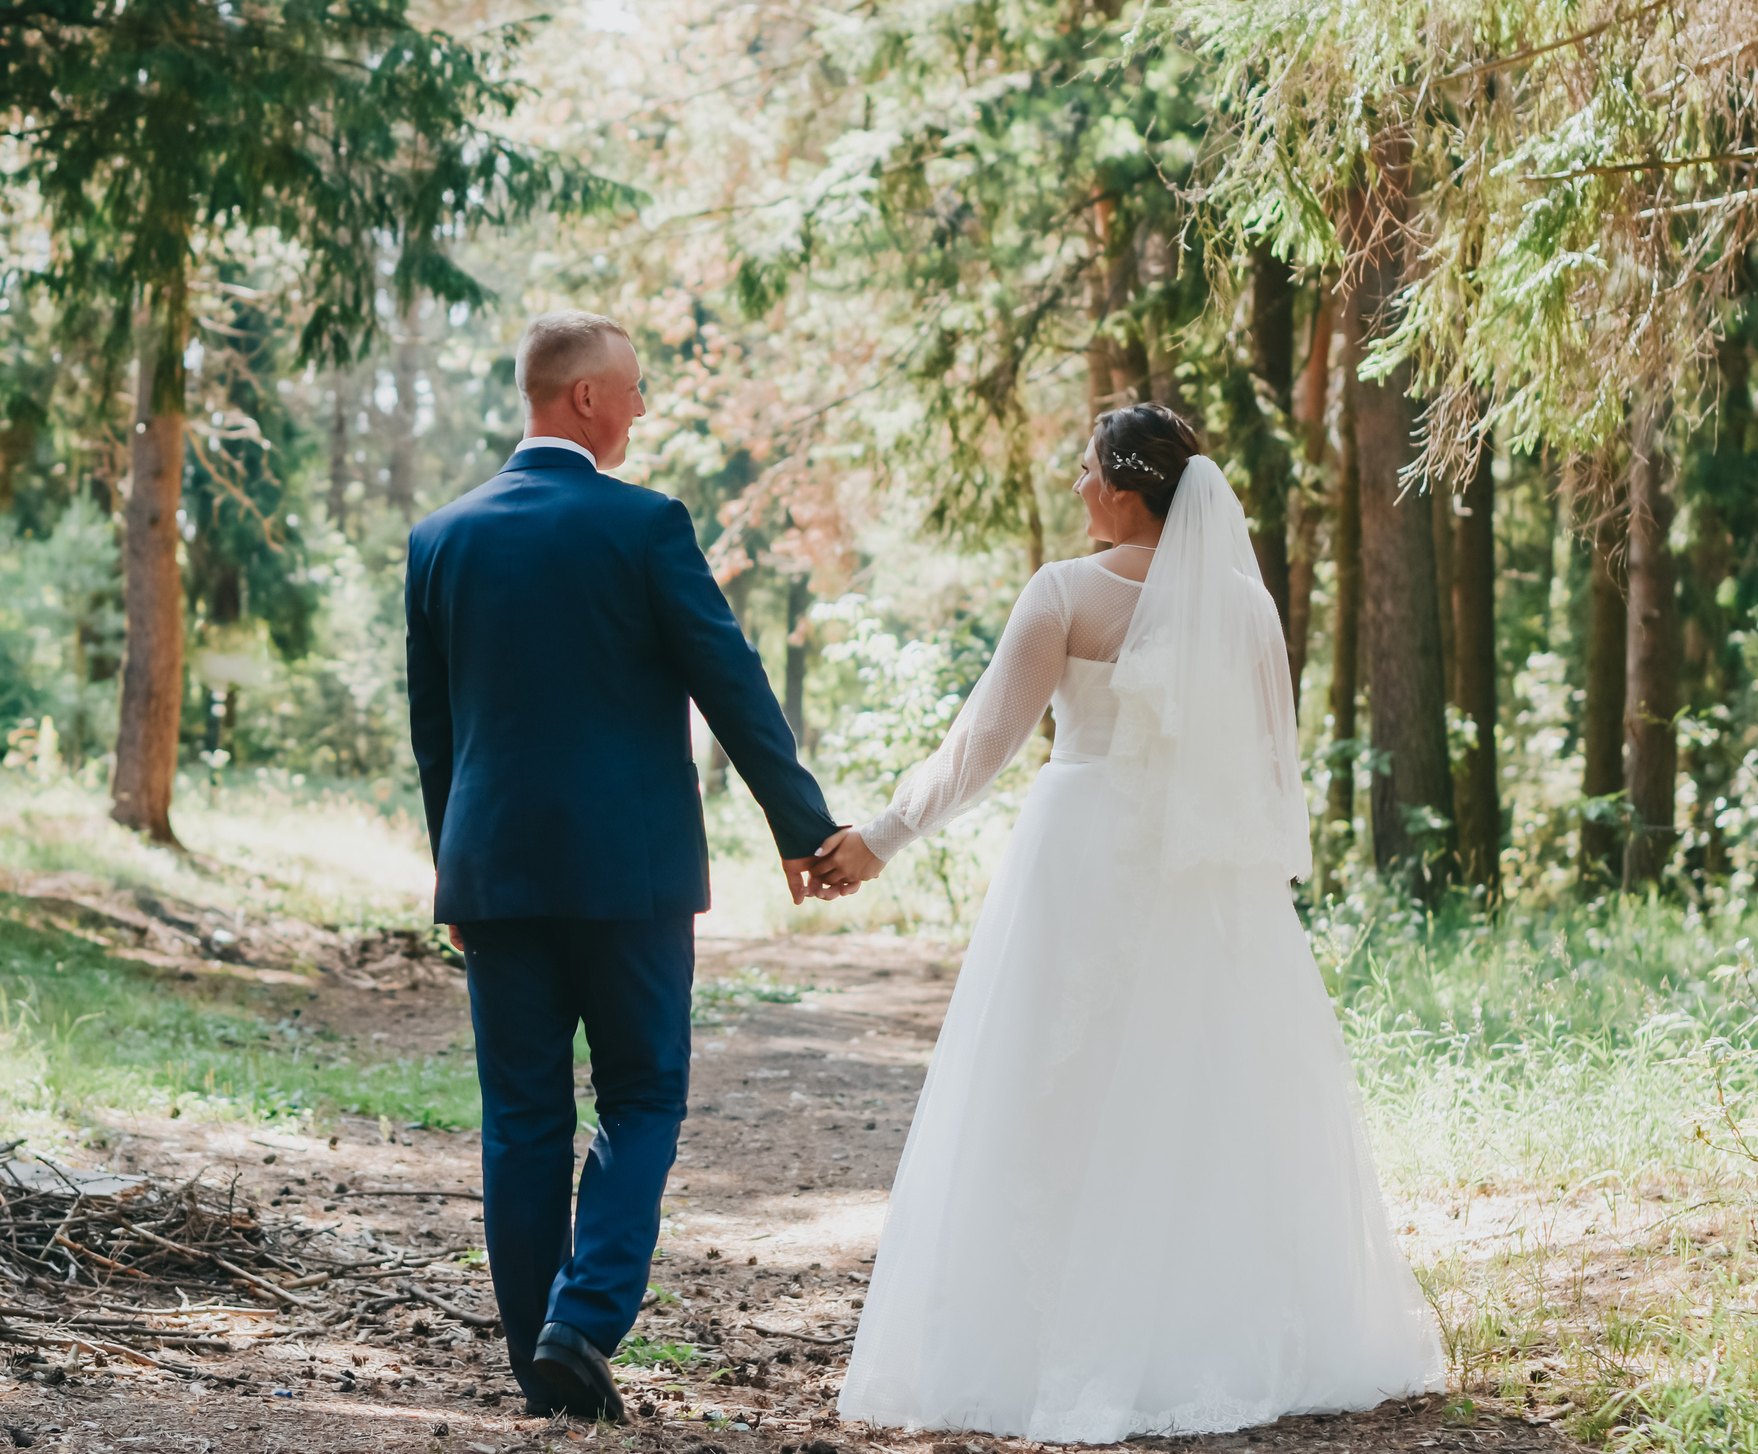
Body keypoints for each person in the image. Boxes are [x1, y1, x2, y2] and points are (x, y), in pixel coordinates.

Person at [808, 405, 1444, 1443]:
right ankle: (1203, 1336)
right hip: (1199, 873)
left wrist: (882, 837)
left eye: (1088, 467)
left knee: (1054, 1080)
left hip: (1080, 855)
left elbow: (983, 742)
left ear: (1126, 486)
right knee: (1197, 1089)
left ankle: (1036, 1339)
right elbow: (1264, 768)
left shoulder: (1064, 592)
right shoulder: (1242, 606)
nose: (1076, 483)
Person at [405, 310, 857, 1424]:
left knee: (521, 1117)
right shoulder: (645, 525)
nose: (643, 407)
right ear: (586, 400)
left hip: (495, 877)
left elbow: (435, 734)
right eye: (634, 387)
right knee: (643, 1091)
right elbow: (731, 683)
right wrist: (801, 827)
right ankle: (585, 1318)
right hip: (631, 880)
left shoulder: (440, 538)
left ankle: (539, 1365)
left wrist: (449, 874)